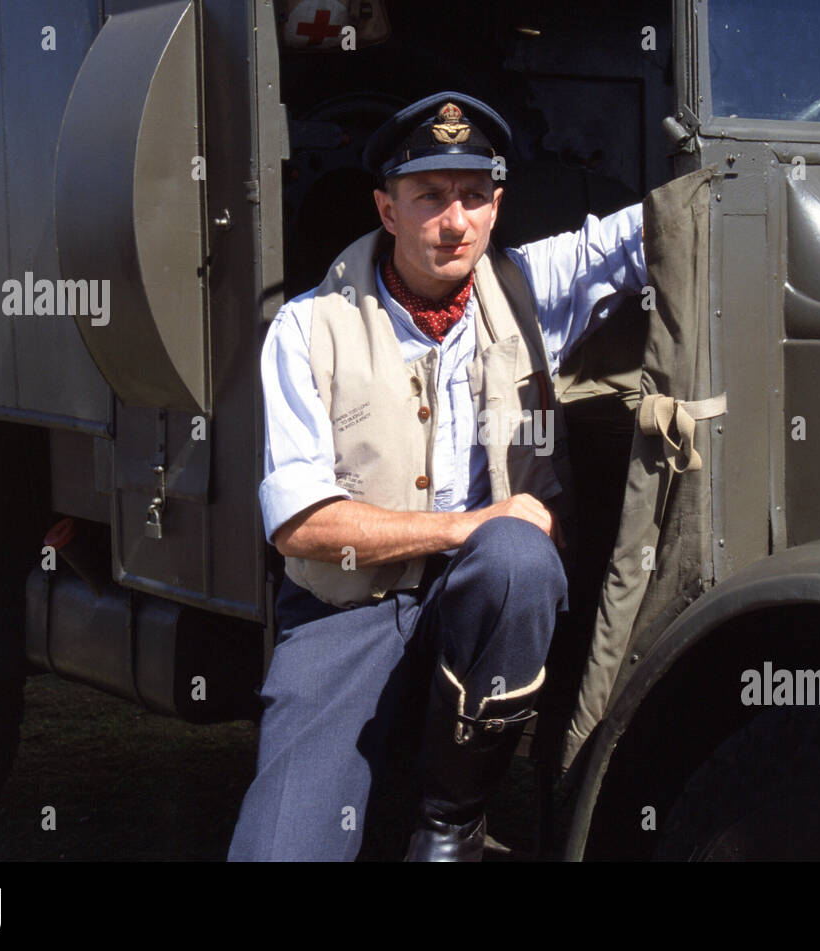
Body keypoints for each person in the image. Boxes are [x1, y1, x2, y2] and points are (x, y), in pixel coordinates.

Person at [228, 91, 646, 862]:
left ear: (496, 206)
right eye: (430, 196)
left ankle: (451, 825)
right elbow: (300, 523)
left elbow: (659, 230)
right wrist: (463, 525)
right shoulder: (307, 327)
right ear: (387, 210)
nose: (455, 221)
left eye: (474, 196)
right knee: (279, 851)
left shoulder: (526, 288)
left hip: (478, 597)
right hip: (346, 609)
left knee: (518, 556)